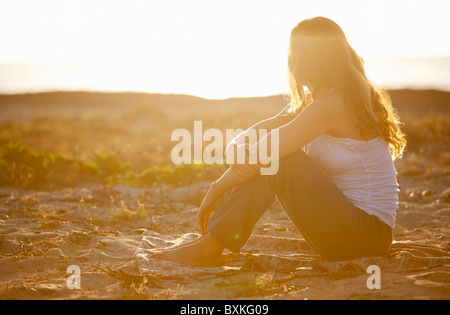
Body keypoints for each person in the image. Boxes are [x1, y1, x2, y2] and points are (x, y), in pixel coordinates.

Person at [155, 16, 406, 266]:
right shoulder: (320, 102)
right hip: (345, 231)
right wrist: (238, 149)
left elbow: (266, 151)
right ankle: (211, 243)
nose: (292, 63)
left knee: (281, 157)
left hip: (367, 237)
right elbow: (256, 133)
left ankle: (210, 246)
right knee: (274, 153)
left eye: (295, 54)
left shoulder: (335, 104)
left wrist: (217, 188)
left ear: (309, 60)